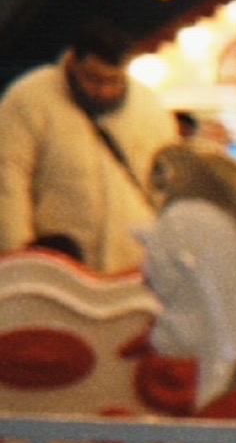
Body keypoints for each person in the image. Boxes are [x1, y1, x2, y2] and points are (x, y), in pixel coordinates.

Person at [0, 18, 174, 272]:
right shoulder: (28, 100)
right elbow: (8, 183)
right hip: (60, 269)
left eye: (114, 80)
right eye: (93, 79)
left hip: (134, 269)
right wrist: (21, 265)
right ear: (73, 62)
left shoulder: (151, 108)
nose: (104, 90)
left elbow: (166, 186)